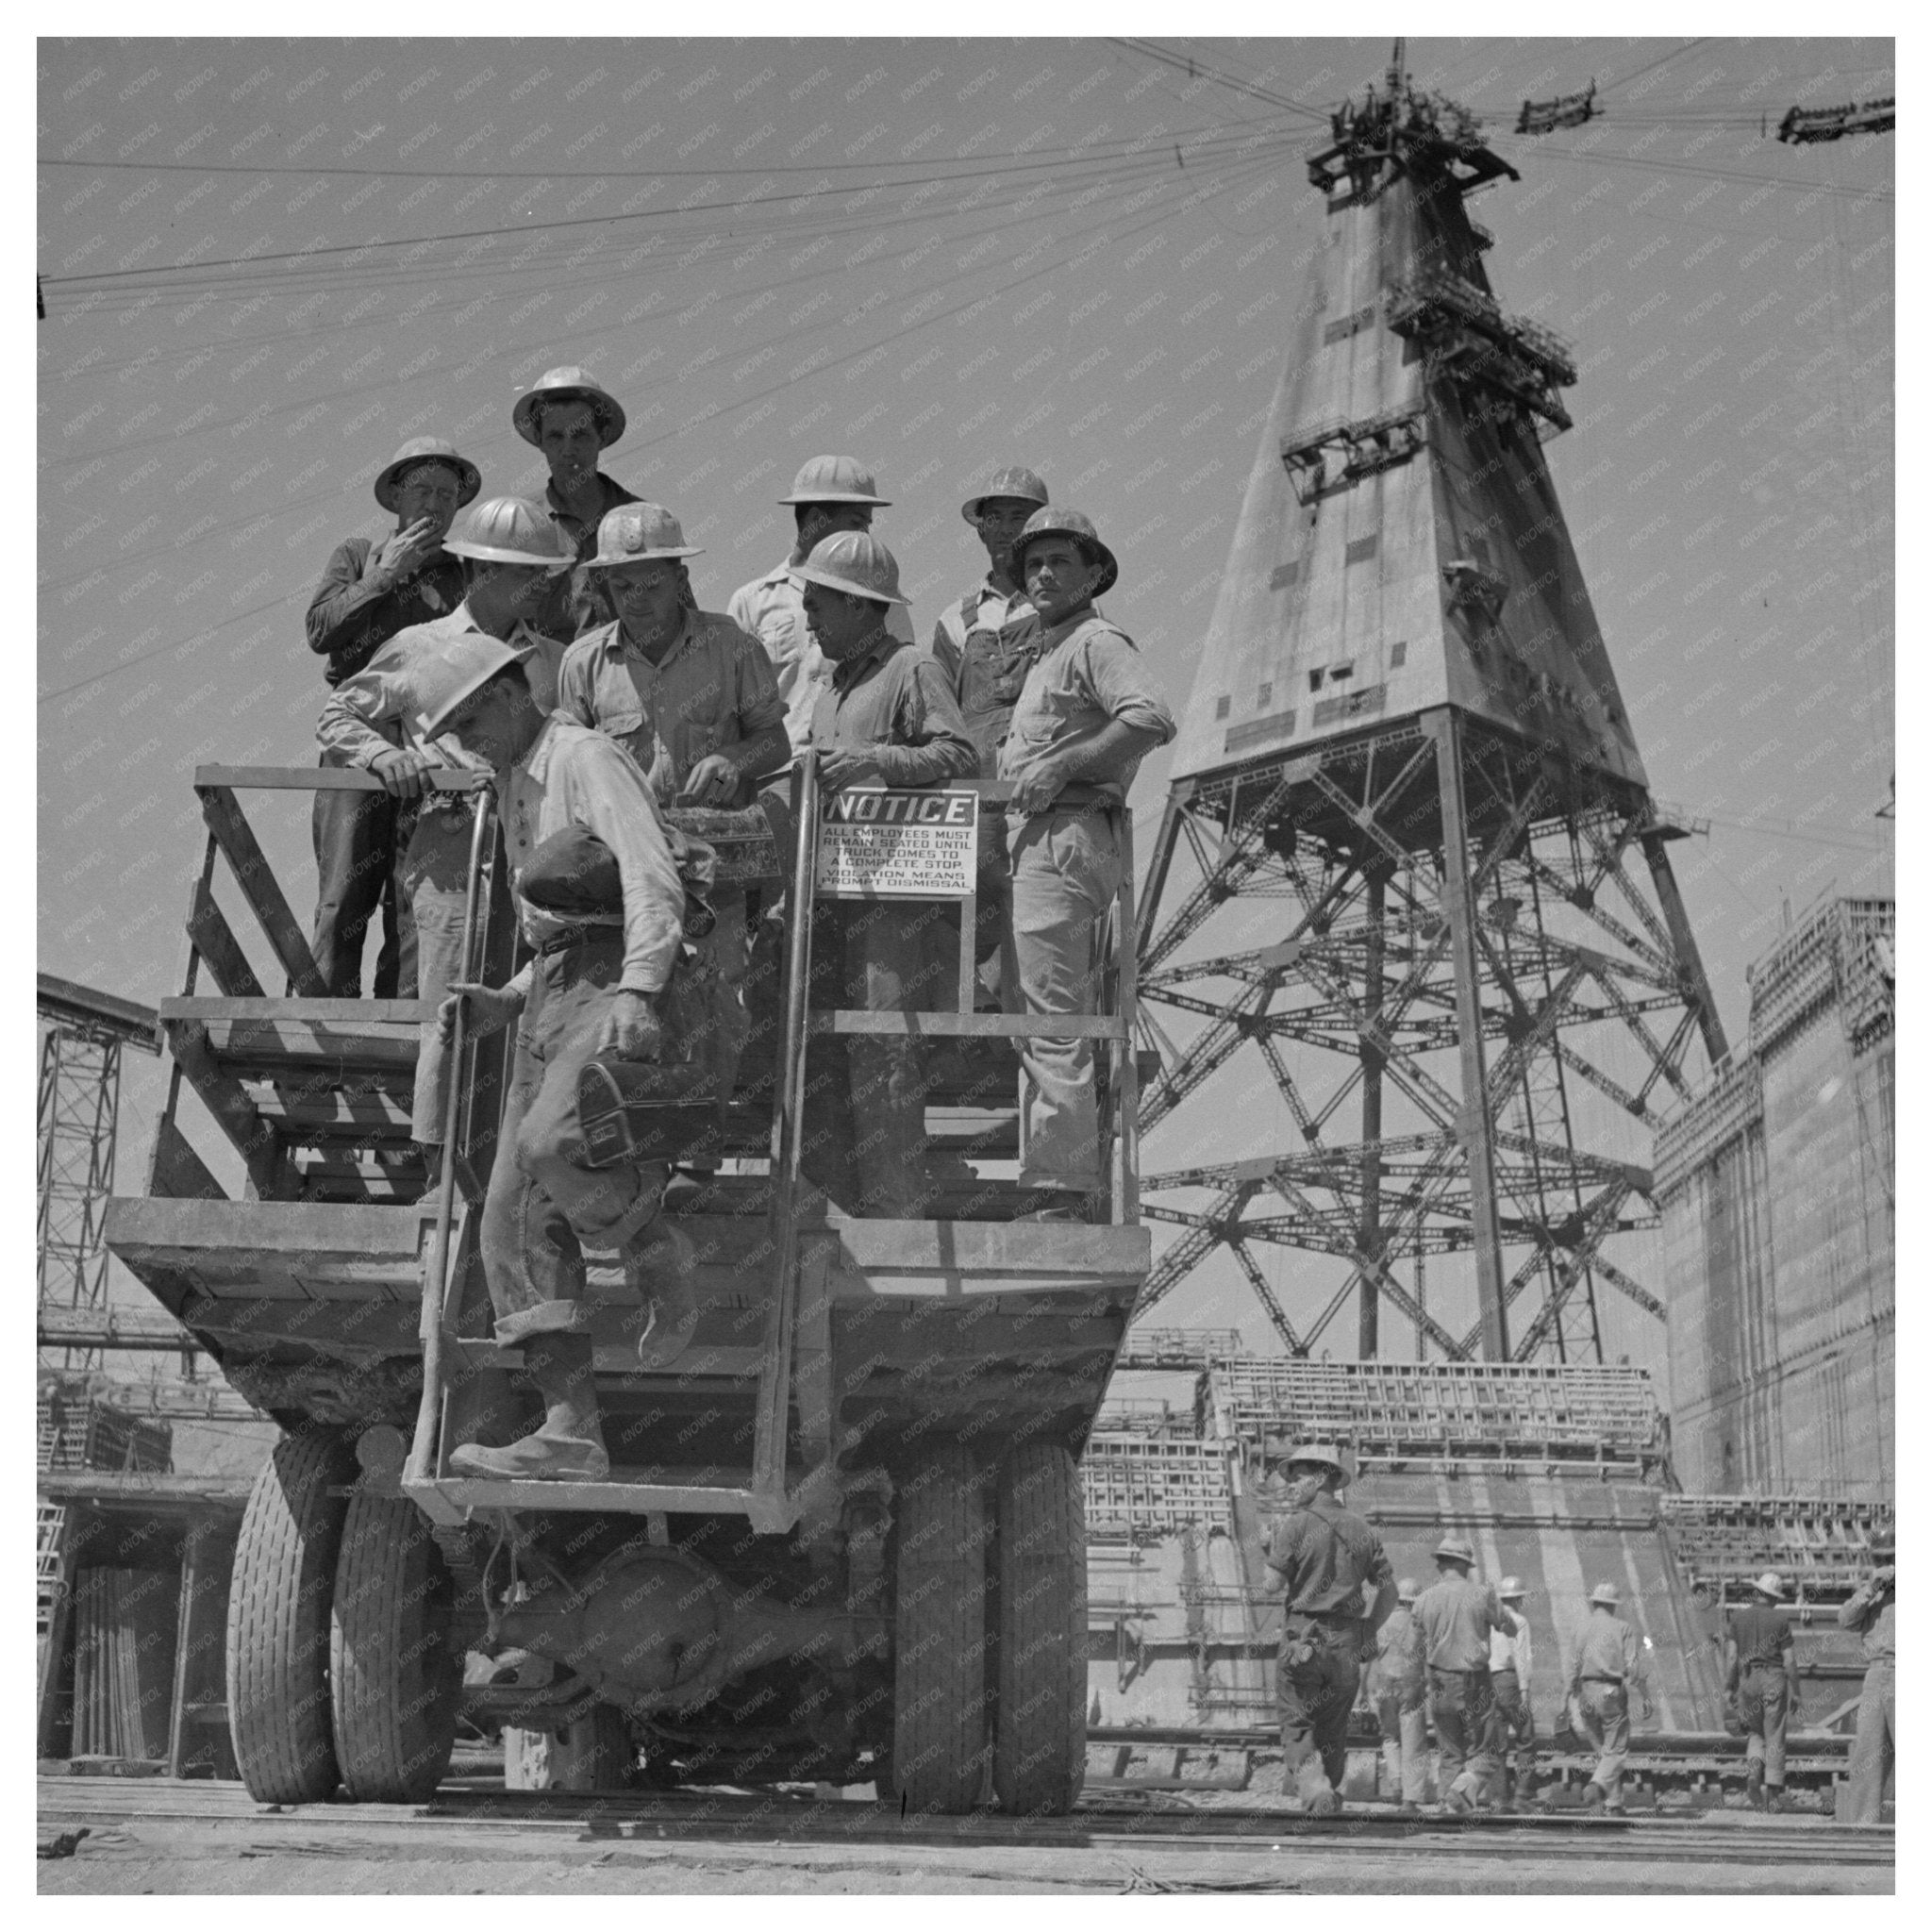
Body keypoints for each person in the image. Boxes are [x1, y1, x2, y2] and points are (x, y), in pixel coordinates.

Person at [424, 641, 697, 1479]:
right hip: (551, 985)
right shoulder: (509, 781)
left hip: (613, 973)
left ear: (512, 695)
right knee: (507, 1216)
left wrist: (642, 990)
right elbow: (553, 924)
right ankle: (570, 1428)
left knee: (550, 1146)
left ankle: (653, 1242)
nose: (467, 740)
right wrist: (505, 1000)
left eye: (472, 719)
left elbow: (651, 875)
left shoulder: (583, 757)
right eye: (454, 730)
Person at [316, 498, 575, 1163]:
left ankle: (514, 1171)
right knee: (450, 1010)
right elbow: (338, 716)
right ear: (482, 572)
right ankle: (441, 1174)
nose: (540, 588)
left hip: (534, 854)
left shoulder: (555, 661)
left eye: (544, 575)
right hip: (450, 852)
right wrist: (385, 756)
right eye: (527, 574)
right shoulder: (419, 646)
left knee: (532, 1001)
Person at [559, 502, 790, 1091]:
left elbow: (776, 741)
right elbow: (566, 770)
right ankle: (630, 1168)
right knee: (619, 1007)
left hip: (711, 875)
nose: (637, 596)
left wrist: (734, 760)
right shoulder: (582, 663)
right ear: (604, 586)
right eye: (622, 583)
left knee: (713, 1009)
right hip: (620, 876)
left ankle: (697, 1162)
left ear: (681, 578)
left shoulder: (732, 646)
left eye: (652, 581)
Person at [997, 509, 1174, 1220]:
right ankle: (1058, 1176)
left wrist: (1063, 764)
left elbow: (1151, 717)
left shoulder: (1095, 641)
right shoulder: (1049, 651)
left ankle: (1060, 1188)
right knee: (1037, 1012)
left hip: (1064, 836)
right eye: (1034, 564)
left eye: (1060, 563)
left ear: (1094, 573)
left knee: (1052, 1016)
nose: (1043, 575)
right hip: (1043, 839)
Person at [796, 531, 975, 1217]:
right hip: (833, 889)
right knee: (824, 1043)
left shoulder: (911, 668)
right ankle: (841, 1203)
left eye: (818, 604)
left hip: (896, 894)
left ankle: (895, 1207)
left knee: (884, 1043)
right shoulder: (831, 689)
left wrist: (878, 760)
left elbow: (958, 752)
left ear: (856, 605)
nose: (809, 617)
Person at [306, 436, 479, 997]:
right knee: (345, 885)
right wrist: (386, 575)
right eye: (423, 490)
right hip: (358, 734)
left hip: (432, 739)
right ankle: (325, 1016)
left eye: (446, 495)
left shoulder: (463, 574)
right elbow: (320, 632)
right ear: (397, 499)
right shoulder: (357, 555)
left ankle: (401, 1024)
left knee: (415, 888)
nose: (434, 504)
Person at [930, 466, 1052, 1010]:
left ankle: (1033, 1029)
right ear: (979, 529)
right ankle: (978, 1023)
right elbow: (935, 719)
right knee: (969, 906)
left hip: (1042, 786)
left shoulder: (1066, 608)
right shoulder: (956, 620)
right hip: (973, 795)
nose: (1005, 529)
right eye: (994, 517)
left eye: (1019, 517)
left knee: (1039, 906)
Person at [726, 456, 916, 757]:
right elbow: (731, 708)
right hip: (777, 777)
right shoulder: (750, 602)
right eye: (856, 523)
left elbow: (901, 684)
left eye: (866, 524)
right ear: (815, 520)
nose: (864, 535)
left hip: (852, 772)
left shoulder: (879, 597)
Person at [1262, 1442, 1397, 1816]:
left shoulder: (1297, 1524)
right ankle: (1328, 1796)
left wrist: (1269, 1550)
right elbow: (1389, 1590)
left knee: (1296, 1720)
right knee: (1334, 1726)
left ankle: (1316, 1790)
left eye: (1299, 1475)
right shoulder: (1362, 1529)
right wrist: (1368, 1629)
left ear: (1323, 1477)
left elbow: (1271, 1585)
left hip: (1303, 1637)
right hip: (1347, 1643)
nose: (1292, 1484)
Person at [512, 365, 639, 639]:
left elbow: (677, 616)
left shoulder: (640, 520)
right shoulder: (520, 524)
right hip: (549, 677)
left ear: (602, 438)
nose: (568, 450)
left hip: (630, 675)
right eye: (556, 437)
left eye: (580, 435)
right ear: (539, 440)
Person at [1413, 1537, 1518, 1813]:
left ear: (1441, 1564)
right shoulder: (1482, 1594)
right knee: (1487, 1748)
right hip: (1474, 1680)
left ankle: (1446, 1807)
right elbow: (1508, 1626)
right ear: (1466, 1565)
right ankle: (1464, 1789)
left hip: (1438, 1680)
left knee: (1449, 1750)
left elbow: (1414, 1645)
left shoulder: (1424, 1599)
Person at [1566, 1580, 1654, 1812]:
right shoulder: (1623, 1628)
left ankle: (1613, 1804)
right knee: (1616, 1751)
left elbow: (1573, 1666)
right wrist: (1645, 1696)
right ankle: (1597, 1787)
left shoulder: (1580, 1627)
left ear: (1594, 1603)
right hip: (1611, 1691)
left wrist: (1568, 1698)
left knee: (1604, 1753)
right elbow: (1632, 1668)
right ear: (1614, 1605)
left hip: (1585, 1691)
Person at [1726, 1571, 1797, 1812]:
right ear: (1774, 1597)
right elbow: (1789, 1660)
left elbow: (1733, 1656)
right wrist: (1796, 1691)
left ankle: (1755, 1767)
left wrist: (1729, 1686)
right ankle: (1774, 1798)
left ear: (1757, 1593)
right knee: (1775, 1735)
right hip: (1774, 1678)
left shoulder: (1738, 1618)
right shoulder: (1780, 1620)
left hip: (1747, 1678)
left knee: (1755, 1732)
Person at [1839, 1524, 1894, 1823]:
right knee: (1867, 1755)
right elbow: (1845, 1620)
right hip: (1875, 1675)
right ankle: (1864, 1829)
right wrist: (1871, 1590)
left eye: (1892, 1559)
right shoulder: (1871, 1592)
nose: (1886, 1566)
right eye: (1881, 1560)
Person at [1368, 1576, 1429, 1811]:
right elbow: (1426, 1655)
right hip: (1410, 1684)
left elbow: (1370, 1657)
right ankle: (1410, 1799)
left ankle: (1395, 1785)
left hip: (1384, 1683)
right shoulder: (1418, 1624)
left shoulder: (1381, 1623)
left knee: (1390, 1737)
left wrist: (1367, 1690)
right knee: (1413, 1740)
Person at [1488, 1574, 1539, 1807]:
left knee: (1497, 1744)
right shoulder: (1519, 1621)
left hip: (1490, 1682)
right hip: (1511, 1682)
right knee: (1526, 1739)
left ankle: (1498, 1799)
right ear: (1518, 1599)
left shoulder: (1489, 1622)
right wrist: (1525, 1690)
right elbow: (1522, 1658)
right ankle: (1521, 1795)